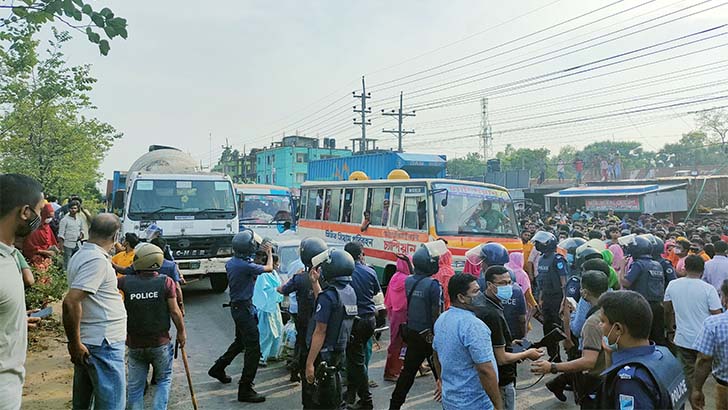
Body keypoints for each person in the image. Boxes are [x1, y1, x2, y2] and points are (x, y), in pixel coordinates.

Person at [62, 214, 127, 410]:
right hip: (103, 343)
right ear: (116, 236)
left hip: (93, 340)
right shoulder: (96, 261)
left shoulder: (82, 254)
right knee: (112, 404)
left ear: (90, 231)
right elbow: (71, 302)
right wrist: (74, 343)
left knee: (83, 404)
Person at [117, 243, 186, 409]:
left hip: (135, 344)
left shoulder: (125, 282)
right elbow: (175, 312)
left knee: (135, 387)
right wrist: (182, 333)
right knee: (163, 380)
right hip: (160, 343)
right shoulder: (166, 282)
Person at [207, 230, 271, 403]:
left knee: (240, 342)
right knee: (253, 349)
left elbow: (250, 269)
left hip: (238, 308)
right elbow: (269, 268)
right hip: (244, 310)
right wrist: (269, 254)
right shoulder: (246, 266)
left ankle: (218, 367)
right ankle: (245, 388)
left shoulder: (233, 262)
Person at [597, 290, 687, 409]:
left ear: (618, 328)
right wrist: (610, 354)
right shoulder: (664, 354)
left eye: (603, 321)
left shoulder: (630, 381)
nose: (599, 325)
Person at [533, 270, 609, 408]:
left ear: (584, 292)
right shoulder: (612, 310)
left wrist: (552, 367)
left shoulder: (593, 322)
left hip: (596, 380)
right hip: (609, 376)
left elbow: (589, 361)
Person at [0, 174, 45, 409]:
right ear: (25, 212)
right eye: (39, 210)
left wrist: (14, 319)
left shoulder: (10, 255)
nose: (41, 218)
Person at [474, 266, 543, 409]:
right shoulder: (492, 313)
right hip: (501, 377)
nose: (508, 287)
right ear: (489, 285)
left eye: (509, 282)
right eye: (502, 283)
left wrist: (510, 343)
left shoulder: (484, 301)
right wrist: (527, 353)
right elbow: (502, 358)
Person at [432, 274, 503, 410]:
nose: (480, 295)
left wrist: (442, 381)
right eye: (475, 292)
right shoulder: (473, 326)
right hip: (475, 403)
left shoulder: (442, 318)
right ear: (461, 298)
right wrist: (498, 405)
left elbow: (436, 354)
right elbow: (485, 370)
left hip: (451, 401)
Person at [389, 242, 444, 410]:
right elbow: (437, 313)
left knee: (407, 374)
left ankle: (394, 406)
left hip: (413, 332)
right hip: (430, 335)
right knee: (443, 376)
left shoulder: (409, 281)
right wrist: (439, 337)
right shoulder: (433, 285)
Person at [303, 249, 358, 410]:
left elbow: (320, 331)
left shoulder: (329, 295)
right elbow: (330, 306)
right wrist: (315, 283)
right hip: (340, 351)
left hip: (324, 355)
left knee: (323, 400)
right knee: (336, 395)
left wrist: (309, 363)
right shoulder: (349, 292)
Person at [663, 255, 722, 398]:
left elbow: (667, 310)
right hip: (706, 341)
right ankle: (699, 394)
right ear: (702, 270)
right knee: (704, 369)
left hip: (683, 338)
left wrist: (670, 330)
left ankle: (693, 397)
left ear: (685, 268)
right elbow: (717, 314)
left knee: (689, 371)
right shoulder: (709, 289)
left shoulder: (673, 285)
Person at [278, 238, 326, 386]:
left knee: (301, 345)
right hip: (321, 319)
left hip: (303, 318)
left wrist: (294, 277)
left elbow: (281, 289)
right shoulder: (325, 276)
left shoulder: (299, 277)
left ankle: (297, 371)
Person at [343, 241, 381, 409]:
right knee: (355, 359)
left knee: (356, 361)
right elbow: (374, 292)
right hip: (369, 319)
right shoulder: (369, 271)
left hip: (354, 321)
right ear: (360, 255)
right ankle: (351, 392)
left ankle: (366, 400)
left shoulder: (343, 272)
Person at [620, 235, 668, 346]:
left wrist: (622, 267)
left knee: (642, 337)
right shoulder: (657, 264)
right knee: (658, 336)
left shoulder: (638, 264)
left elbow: (625, 283)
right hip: (658, 305)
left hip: (641, 305)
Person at [691, 279, 728, 410]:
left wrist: (697, 389)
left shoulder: (713, 324)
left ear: (725, 299)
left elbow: (704, 360)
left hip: (725, 390)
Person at [532, 230, 569, 361]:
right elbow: (541, 281)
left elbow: (564, 281)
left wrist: (564, 301)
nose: (537, 245)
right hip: (546, 297)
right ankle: (553, 356)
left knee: (558, 327)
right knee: (547, 327)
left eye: (539, 242)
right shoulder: (541, 259)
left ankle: (565, 354)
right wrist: (540, 298)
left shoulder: (558, 259)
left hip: (557, 297)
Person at [383, 254, 412, 382]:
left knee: (395, 343)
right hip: (404, 316)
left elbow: (388, 298)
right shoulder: (407, 280)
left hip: (395, 314)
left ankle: (393, 369)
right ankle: (392, 371)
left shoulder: (395, 277)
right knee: (402, 344)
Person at [253, 253, 284, 367]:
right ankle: (261, 356)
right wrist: (277, 290)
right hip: (266, 308)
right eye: (276, 263)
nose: (278, 265)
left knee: (278, 330)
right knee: (266, 333)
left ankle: (273, 354)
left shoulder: (274, 273)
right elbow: (262, 292)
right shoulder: (263, 275)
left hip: (274, 306)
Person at [58, 199, 85, 270]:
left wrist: (82, 234)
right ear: (69, 209)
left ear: (78, 209)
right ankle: (64, 276)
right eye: (71, 208)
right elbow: (61, 234)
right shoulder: (65, 220)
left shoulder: (79, 219)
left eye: (75, 208)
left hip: (77, 244)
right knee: (67, 262)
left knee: (77, 261)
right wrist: (61, 247)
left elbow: (82, 229)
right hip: (67, 244)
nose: (73, 210)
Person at [432, 245, 455, 310]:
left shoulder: (435, 269)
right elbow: (448, 290)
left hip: (434, 299)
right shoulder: (449, 271)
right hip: (445, 303)